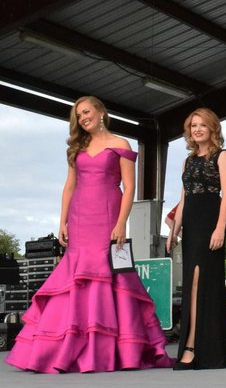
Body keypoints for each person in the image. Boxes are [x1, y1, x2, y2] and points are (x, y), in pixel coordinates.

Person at [5, 96, 173, 373]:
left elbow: (129, 188)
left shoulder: (121, 145)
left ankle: (113, 349)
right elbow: (69, 186)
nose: (83, 118)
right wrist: (62, 221)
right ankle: (61, 348)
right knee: (76, 276)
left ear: (100, 112)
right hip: (80, 218)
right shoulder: (77, 148)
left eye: (86, 112)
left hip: (108, 216)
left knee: (110, 274)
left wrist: (121, 223)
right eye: (78, 116)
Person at [167, 108, 226, 370]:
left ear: (212, 128)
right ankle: (191, 347)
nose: (197, 129)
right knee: (191, 286)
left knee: (203, 284)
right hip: (191, 226)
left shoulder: (223, 156)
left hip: (210, 222)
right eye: (193, 125)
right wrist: (174, 231)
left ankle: (196, 348)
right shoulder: (188, 161)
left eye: (202, 125)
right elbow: (184, 199)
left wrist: (220, 228)